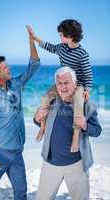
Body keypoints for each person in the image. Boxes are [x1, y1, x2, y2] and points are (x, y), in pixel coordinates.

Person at [0, 29, 40, 200]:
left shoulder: (15, 84)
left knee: (21, 193)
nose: (9, 68)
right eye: (6, 67)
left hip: (17, 153)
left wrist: (31, 41)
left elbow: (34, 65)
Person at [34, 67, 102, 200]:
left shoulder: (87, 106)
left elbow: (97, 131)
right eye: (59, 83)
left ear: (75, 84)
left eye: (67, 83)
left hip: (76, 163)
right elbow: (40, 119)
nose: (63, 87)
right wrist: (37, 119)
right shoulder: (52, 100)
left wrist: (85, 125)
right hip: (50, 163)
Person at [27, 19, 93, 152]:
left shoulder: (82, 54)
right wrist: (35, 38)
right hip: (62, 83)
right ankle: (43, 127)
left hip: (78, 85)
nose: (60, 37)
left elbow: (88, 74)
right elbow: (49, 47)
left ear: (70, 36)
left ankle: (75, 136)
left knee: (78, 106)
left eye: (61, 35)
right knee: (45, 98)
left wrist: (87, 89)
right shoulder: (61, 48)